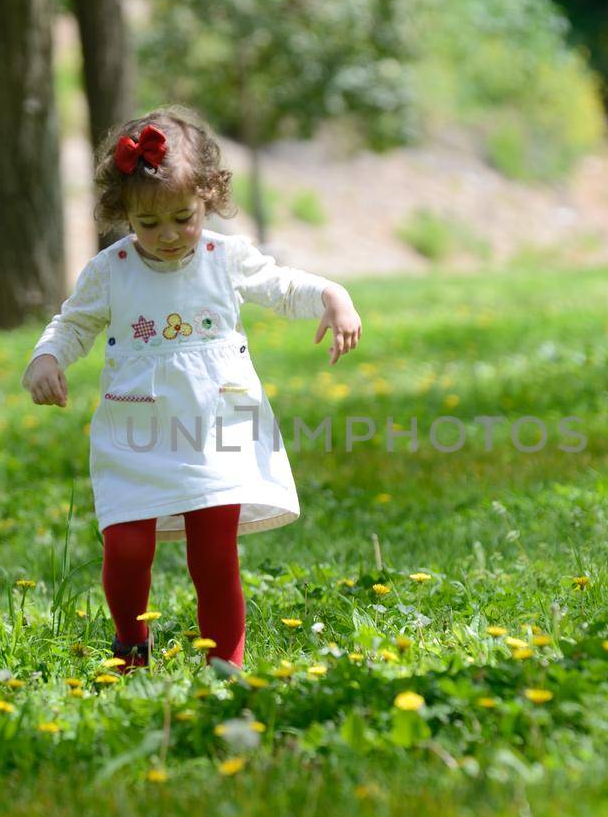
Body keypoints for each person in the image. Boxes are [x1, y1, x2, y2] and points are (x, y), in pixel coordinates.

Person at [22, 106, 363, 668]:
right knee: (127, 547)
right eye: (148, 224)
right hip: (138, 429)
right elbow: (75, 322)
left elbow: (279, 286)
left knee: (214, 554)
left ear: (208, 196)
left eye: (183, 217)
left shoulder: (223, 258)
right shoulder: (113, 270)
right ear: (123, 214)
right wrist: (47, 356)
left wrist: (332, 295)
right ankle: (132, 645)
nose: (168, 236)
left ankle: (224, 665)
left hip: (216, 427)